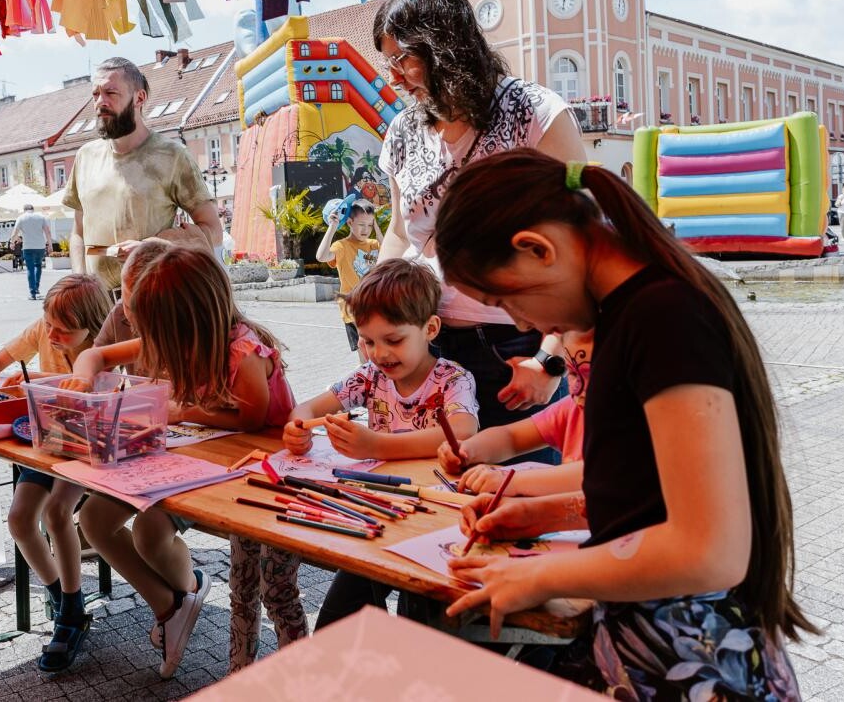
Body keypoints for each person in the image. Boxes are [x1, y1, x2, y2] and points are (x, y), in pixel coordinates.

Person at [433, 151, 810, 698]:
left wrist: (541, 575)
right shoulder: (628, 315)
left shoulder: (662, 317)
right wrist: (542, 512)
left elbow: (709, 550)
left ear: (537, 249)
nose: (520, 323)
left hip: (701, 665)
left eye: (505, 300)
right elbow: (646, 487)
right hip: (661, 652)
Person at [69, 241, 308, 677]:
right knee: (99, 518)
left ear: (184, 320)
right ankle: (179, 610)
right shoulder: (180, 335)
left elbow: (251, 420)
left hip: (250, 471)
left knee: (266, 588)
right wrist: (83, 378)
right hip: (192, 458)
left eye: (155, 329)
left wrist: (180, 410)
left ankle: (279, 671)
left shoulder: (242, 352)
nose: (151, 340)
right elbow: (96, 355)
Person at [373, 0, 586, 463]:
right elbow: (401, 231)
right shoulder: (405, 130)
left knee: (520, 505)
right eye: (387, 62)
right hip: (426, 349)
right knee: (437, 506)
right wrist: (379, 313)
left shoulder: (534, 114)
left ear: (445, 46)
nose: (393, 77)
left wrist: (550, 359)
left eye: (402, 59)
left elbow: (583, 240)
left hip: (512, 351)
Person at [283, 259, 479, 630]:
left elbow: (464, 430)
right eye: (368, 341)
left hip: (433, 523)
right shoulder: (370, 377)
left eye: (394, 340)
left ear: (430, 328)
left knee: (418, 623)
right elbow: (309, 407)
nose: (380, 354)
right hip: (374, 514)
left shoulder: (452, 379)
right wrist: (297, 427)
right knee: (334, 624)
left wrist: (377, 445)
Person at [0, 274, 111, 672]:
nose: (52, 335)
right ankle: (62, 595)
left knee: (56, 513)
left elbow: (99, 400)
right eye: (49, 324)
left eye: (64, 331)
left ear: (92, 326)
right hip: (44, 443)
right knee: (20, 519)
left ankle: (70, 613)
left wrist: (34, 381)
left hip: (88, 449)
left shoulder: (106, 349)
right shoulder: (45, 327)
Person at [62, 57, 222, 291]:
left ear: (139, 98)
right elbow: (78, 232)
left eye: (110, 93)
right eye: (95, 94)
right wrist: (79, 283)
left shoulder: (172, 156)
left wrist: (152, 246)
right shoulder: (85, 156)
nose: (100, 102)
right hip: (98, 310)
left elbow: (213, 230)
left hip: (153, 301)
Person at [438, 330, 592, 498]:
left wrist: (513, 482)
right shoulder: (572, 409)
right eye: (572, 373)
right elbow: (511, 438)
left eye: (590, 374)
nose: (578, 388)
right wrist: (469, 449)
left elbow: (593, 477)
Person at [316, 197, 382, 362]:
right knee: (366, 353)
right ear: (350, 222)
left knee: (377, 351)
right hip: (353, 307)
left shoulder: (374, 244)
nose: (366, 229)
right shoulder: (342, 246)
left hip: (374, 305)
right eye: (361, 225)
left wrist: (377, 228)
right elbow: (321, 256)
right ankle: (365, 380)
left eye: (370, 224)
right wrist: (332, 227)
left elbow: (391, 250)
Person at [12, 203, 51, 299]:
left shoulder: (21, 218)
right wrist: (49, 244)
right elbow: (47, 231)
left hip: (28, 247)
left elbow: (14, 233)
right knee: (38, 266)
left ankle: (32, 293)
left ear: (24, 210)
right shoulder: (41, 217)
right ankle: (36, 287)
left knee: (30, 268)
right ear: (33, 209)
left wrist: (12, 242)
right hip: (40, 246)